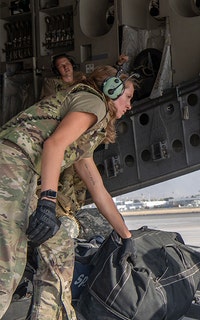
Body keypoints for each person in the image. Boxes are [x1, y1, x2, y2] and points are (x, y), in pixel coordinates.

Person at [0, 65, 138, 318]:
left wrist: (125, 236)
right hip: (10, 167)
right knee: (7, 265)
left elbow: (98, 189)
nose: (129, 106)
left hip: (22, 175)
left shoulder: (87, 132)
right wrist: (47, 203)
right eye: (127, 97)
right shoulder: (94, 102)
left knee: (60, 245)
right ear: (111, 89)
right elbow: (54, 145)